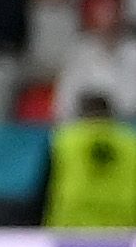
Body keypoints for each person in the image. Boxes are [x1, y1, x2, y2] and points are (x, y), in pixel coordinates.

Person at [46, 89, 136, 228]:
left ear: (82, 113)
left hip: (72, 221)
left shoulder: (64, 139)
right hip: (122, 221)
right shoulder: (130, 141)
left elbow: (48, 181)